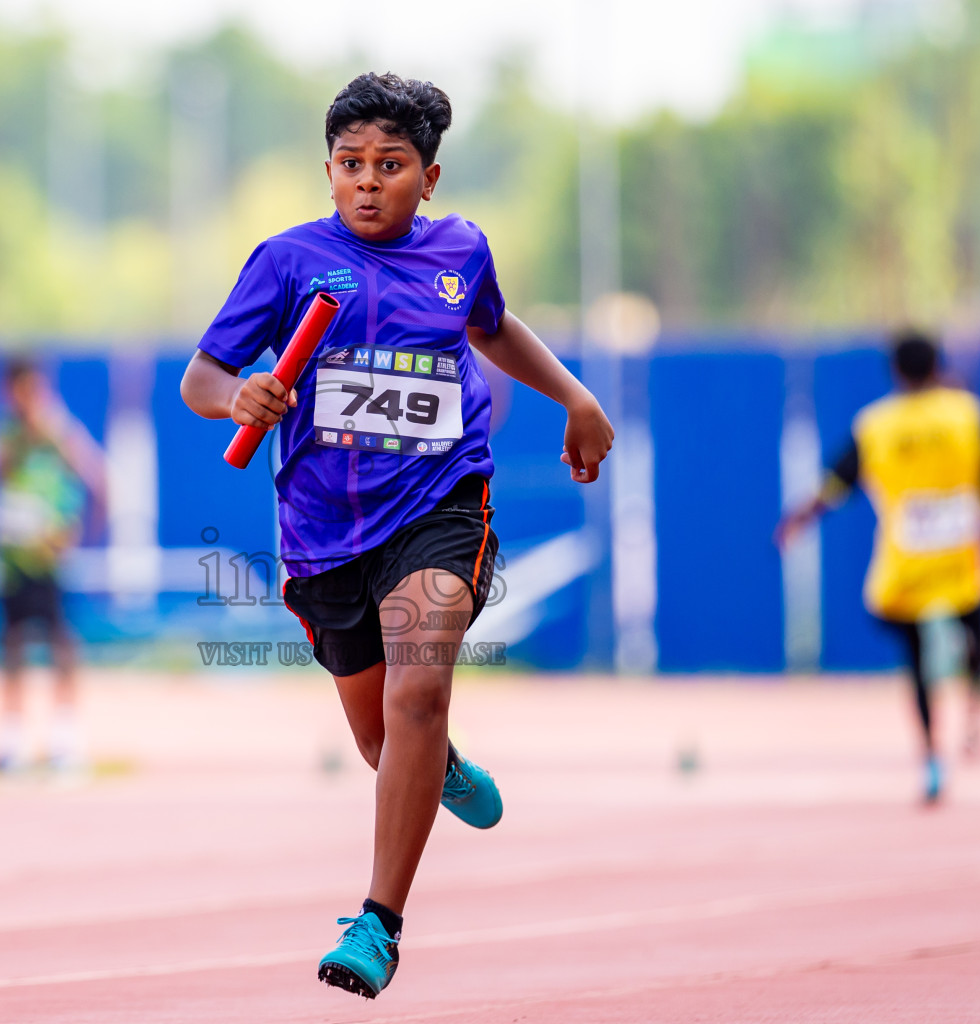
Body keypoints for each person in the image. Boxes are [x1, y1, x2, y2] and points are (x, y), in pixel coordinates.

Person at [179, 73, 613, 998]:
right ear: (328, 172)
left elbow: (491, 328)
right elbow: (203, 377)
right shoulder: (289, 261)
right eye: (349, 166)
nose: (368, 182)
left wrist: (575, 396)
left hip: (440, 502)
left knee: (420, 693)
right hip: (324, 535)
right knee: (386, 741)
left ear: (431, 176)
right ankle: (439, 765)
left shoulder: (461, 250)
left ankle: (378, 923)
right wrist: (239, 395)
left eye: (391, 165)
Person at [778, 329, 980, 804]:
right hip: (959, 558)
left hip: (907, 563)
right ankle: (972, 698)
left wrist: (796, 522)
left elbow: (833, 484)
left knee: (913, 658)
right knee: (978, 626)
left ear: (895, 372)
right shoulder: (964, 414)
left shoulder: (876, 425)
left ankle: (932, 756)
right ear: (938, 367)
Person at [0, 359, 105, 774]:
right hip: (12, 558)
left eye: (32, 390)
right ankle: (11, 736)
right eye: (17, 391)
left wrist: (79, 535)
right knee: (13, 644)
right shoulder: (5, 434)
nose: (25, 400)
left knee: (60, 642)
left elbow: (97, 478)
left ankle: (65, 735)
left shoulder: (60, 432)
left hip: (48, 556)